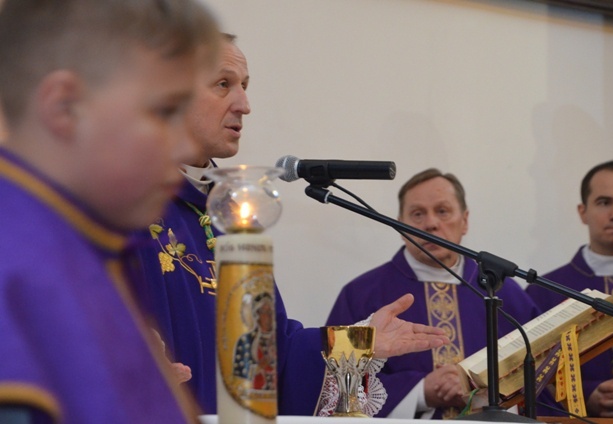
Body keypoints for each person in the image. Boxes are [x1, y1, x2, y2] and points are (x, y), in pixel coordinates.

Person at [127, 34, 451, 416]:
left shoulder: (228, 216)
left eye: (245, 87)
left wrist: (362, 343)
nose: (244, 105)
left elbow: (275, 354)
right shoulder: (116, 202)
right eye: (223, 84)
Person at [0, 0, 221, 422]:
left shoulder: (83, 247)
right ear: (65, 108)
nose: (188, 147)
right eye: (166, 111)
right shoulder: (16, 267)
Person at [326, 168, 542, 419]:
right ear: (400, 225)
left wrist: (493, 394)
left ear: (465, 220)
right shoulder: (361, 295)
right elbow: (334, 386)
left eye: (442, 211)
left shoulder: (505, 294)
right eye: (417, 214)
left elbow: (542, 376)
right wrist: (420, 392)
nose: (430, 223)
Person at [527, 160, 613, 418]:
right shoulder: (544, 290)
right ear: (582, 211)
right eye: (604, 202)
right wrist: (585, 395)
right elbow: (524, 380)